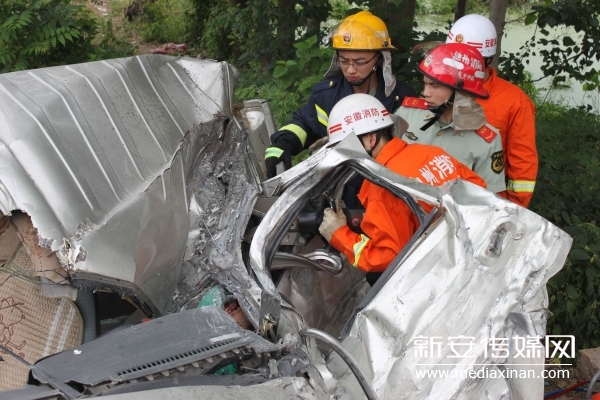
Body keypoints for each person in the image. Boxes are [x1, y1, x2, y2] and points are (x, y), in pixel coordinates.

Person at [318, 94, 486, 275]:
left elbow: (388, 256)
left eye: (345, 147)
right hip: (475, 251)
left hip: (438, 274)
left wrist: (340, 234)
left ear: (370, 140)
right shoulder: (430, 153)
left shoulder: (382, 188)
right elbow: (480, 191)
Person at [264, 10, 417, 183]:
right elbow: (304, 124)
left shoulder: (403, 98)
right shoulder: (326, 95)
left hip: (385, 190)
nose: (350, 70)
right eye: (344, 61)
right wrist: (284, 143)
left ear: (380, 58)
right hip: (334, 189)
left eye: (359, 62)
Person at [447, 14, 538, 207]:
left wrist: (511, 210)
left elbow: (523, 166)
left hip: (484, 202)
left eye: (464, 59)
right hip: (436, 195)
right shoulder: (439, 88)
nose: (458, 65)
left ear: (485, 59)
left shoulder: (514, 101)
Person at [396, 43, 506, 194]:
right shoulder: (407, 113)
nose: (425, 93)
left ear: (459, 90)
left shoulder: (486, 141)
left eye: (434, 86)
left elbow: (487, 200)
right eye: (425, 84)